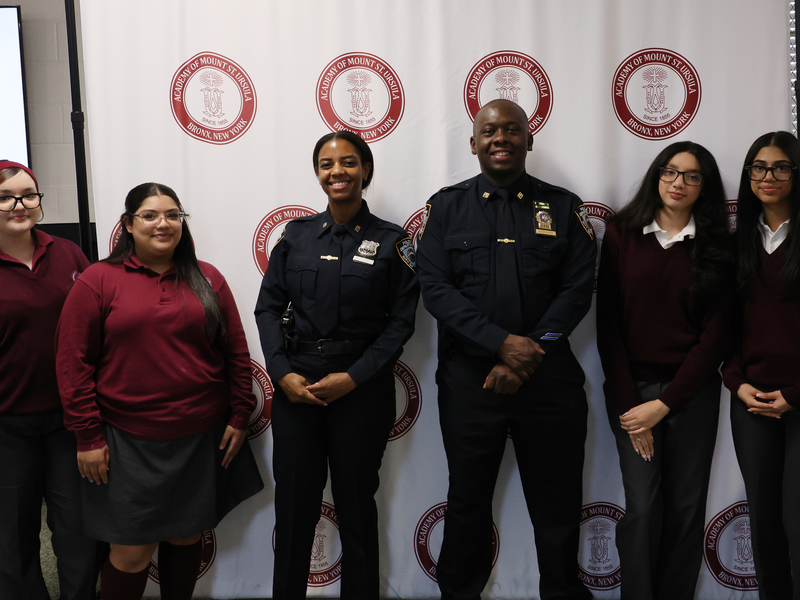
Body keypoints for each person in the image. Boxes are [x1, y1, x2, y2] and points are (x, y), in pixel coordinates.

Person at [416, 99, 596, 600]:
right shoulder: (445, 208)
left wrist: (527, 355)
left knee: (558, 505)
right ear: (473, 143)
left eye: (512, 129)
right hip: (470, 383)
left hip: (549, 381)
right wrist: (500, 344)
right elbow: (436, 290)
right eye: (490, 130)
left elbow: (576, 291)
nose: (501, 138)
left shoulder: (564, 208)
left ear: (529, 140)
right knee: (467, 502)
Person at [55, 182, 264, 600]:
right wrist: (88, 436)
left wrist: (241, 414)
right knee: (131, 552)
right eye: (149, 215)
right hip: (125, 442)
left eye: (172, 215)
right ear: (129, 225)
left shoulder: (208, 277)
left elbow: (235, 351)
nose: (163, 223)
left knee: (186, 537)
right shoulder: (98, 280)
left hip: (199, 437)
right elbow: (72, 364)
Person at [255, 130, 418, 599]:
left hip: (361, 390)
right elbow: (268, 309)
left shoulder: (393, 242)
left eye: (348, 162)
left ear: (365, 170)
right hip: (297, 389)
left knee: (356, 508)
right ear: (317, 173)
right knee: (294, 508)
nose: (337, 172)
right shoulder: (296, 236)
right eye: (327, 164)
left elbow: (400, 324)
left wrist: (353, 378)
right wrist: (281, 373)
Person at [596, 142, 732, 600]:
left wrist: (666, 403)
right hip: (632, 393)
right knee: (642, 506)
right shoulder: (622, 234)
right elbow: (608, 326)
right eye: (670, 172)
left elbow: (715, 337)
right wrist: (634, 407)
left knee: (686, 507)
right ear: (657, 175)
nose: (678, 183)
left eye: (692, 176)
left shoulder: (718, 245)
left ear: (704, 187)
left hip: (691, 394)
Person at [0, 160, 101, 599]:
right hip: (7, 424)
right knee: (12, 535)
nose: (19, 205)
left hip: (69, 419)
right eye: (5, 198)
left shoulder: (68, 253)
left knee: (78, 527)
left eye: (28, 194)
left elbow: (96, 323)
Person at [723, 131, 800, 600]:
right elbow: (724, 329)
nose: (768, 176)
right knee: (765, 523)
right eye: (759, 167)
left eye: (781, 166)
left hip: (798, 398)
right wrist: (737, 383)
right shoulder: (737, 246)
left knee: (797, 518)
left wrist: (794, 394)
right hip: (751, 402)